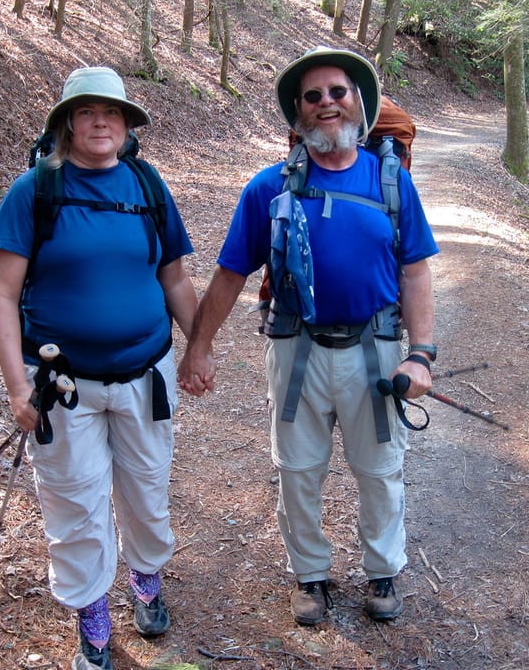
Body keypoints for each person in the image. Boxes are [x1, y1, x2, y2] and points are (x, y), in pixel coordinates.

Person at [178, 46, 438, 625]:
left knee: (379, 467)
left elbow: (416, 269)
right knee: (298, 468)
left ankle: (381, 570)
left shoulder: (391, 184)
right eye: (313, 96)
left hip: (376, 348)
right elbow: (230, 272)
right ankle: (311, 576)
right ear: (298, 112)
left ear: (359, 104)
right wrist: (200, 344)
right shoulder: (268, 188)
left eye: (337, 92)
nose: (327, 103)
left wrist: (421, 354)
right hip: (296, 347)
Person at [0, 66, 198, 670]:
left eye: (112, 112)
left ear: (128, 125)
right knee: (74, 501)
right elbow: (2, 295)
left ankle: (146, 577)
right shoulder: (34, 191)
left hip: (145, 375)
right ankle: (92, 612)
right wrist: (16, 385)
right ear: (66, 125)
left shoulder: (148, 187)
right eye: (86, 112)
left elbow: (175, 279)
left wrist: (199, 346)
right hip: (61, 386)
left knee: (148, 492)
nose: (100, 121)